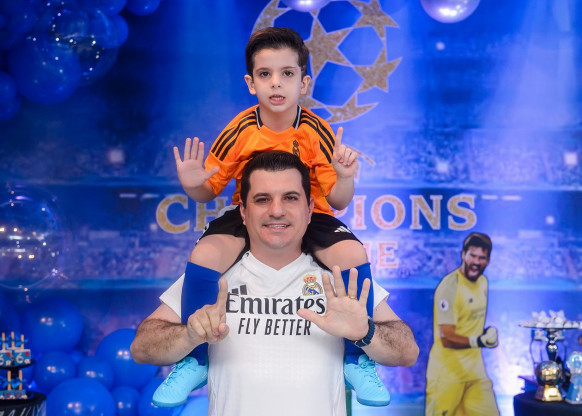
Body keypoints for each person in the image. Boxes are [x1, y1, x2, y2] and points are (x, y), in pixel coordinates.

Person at [153, 27, 390, 407]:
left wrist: (345, 177)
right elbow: (209, 190)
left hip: (310, 213)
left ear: (304, 82)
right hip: (251, 214)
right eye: (265, 74)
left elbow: (339, 200)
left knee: (353, 255)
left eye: (287, 73)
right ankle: (193, 361)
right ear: (251, 83)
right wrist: (194, 184)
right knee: (204, 255)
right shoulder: (239, 130)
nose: (276, 83)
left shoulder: (317, 131)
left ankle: (356, 360)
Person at [131, 151, 419, 416]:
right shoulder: (210, 277)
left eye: (290, 198)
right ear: (243, 212)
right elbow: (142, 348)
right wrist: (189, 335)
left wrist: (365, 332)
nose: (277, 211)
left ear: (310, 209)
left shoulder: (341, 278)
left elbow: (407, 352)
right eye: (262, 199)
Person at [425, 232, 500, 416]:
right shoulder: (449, 287)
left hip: (475, 373)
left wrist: (488, 332)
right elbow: (446, 337)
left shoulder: (483, 282)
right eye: (472, 255)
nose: (476, 262)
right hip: (447, 374)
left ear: (488, 260)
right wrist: (479, 341)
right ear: (463, 255)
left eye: (482, 258)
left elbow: (469, 323)